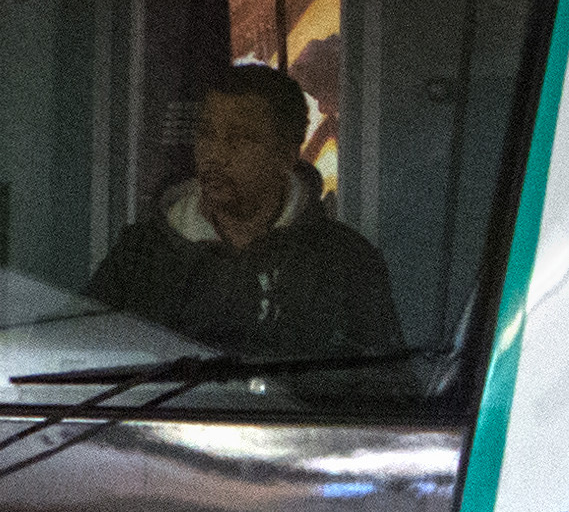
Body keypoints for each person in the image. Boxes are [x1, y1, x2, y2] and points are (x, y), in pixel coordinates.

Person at [82, 64, 397, 356]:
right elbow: (81, 357)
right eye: (206, 134)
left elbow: (384, 389)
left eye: (240, 139)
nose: (215, 155)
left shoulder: (343, 262)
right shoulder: (142, 253)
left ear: (285, 155)